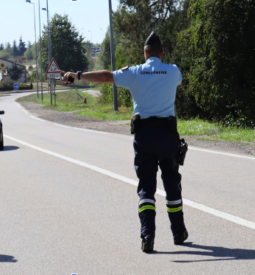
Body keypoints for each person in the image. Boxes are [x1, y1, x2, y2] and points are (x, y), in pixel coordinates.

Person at [60, 32, 188, 253]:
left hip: (144, 136)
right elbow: (175, 82)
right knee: (171, 185)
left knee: (147, 188)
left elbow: (106, 76)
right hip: (167, 135)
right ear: (162, 53)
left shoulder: (135, 72)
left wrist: (78, 75)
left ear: (145, 53)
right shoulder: (173, 71)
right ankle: (178, 232)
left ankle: (147, 236)